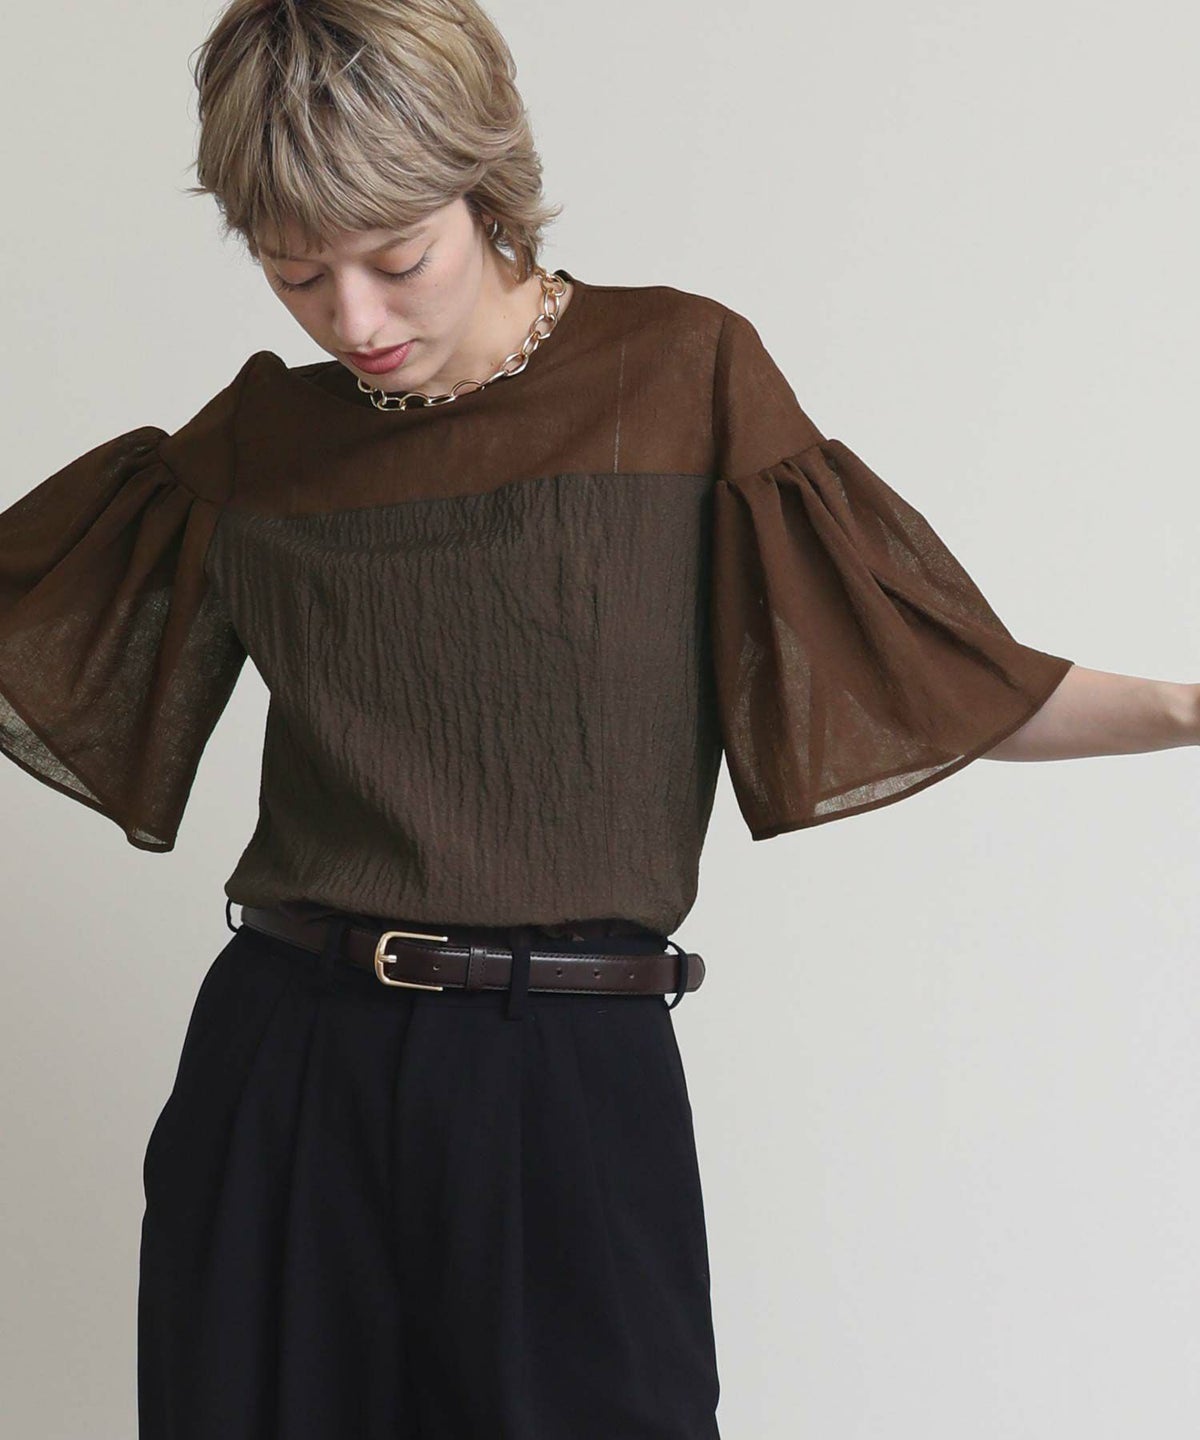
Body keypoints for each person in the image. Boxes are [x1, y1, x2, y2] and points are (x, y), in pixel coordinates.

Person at [1, 2, 1196, 1437]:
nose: (354, 322)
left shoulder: (681, 378)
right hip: (287, 1071)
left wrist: (1187, 708)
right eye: (296, 273)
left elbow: (934, 676)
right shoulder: (266, 440)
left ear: (485, 188)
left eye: (398, 259)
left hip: (564, 1075)